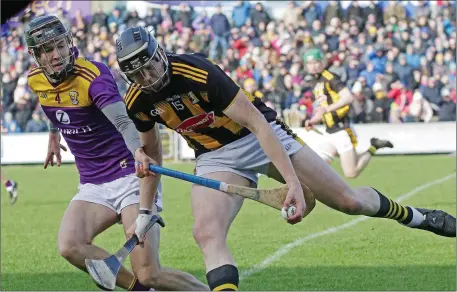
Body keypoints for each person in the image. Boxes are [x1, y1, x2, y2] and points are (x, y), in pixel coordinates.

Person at [116, 26, 456, 291]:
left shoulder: (198, 71)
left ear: (160, 52)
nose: (149, 77)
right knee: (206, 232)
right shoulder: (138, 101)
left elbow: (257, 123)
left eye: (150, 66)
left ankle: (414, 216)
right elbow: (153, 154)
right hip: (215, 155)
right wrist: (145, 212)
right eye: (138, 75)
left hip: (260, 135)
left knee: (350, 201)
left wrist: (293, 182)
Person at [25, 15, 208, 291]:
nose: (57, 55)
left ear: (69, 42)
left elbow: (123, 121)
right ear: (36, 55)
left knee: (149, 273)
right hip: (93, 183)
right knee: (70, 245)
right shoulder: (35, 81)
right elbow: (51, 104)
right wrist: (53, 135)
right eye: (48, 50)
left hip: (130, 174)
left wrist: (138, 150)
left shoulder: (93, 77)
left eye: (61, 46)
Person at [304, 48, 394, 179]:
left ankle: (374, 146)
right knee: (317, 168)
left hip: (342, 130)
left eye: (315, 62)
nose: (313, 66)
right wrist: (313, 120)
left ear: (322, 62)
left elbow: (348, 97)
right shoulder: (314, 82)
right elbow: (322, 109)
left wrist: (327, 109)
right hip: (328, 132)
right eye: (309, 63)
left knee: (351, 173)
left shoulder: (331, 78)